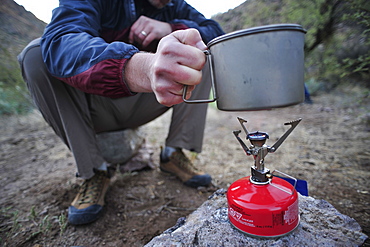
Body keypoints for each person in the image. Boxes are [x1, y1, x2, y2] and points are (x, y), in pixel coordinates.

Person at [18, 0, 224, 225]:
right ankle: (94, 171)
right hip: (92, 107)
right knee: (35, 55)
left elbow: (216, 34)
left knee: (202, 51)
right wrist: (140, 67)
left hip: (144, 102)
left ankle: (174, 153)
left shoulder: (174, 6)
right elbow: (60, 40)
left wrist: (170, 28)